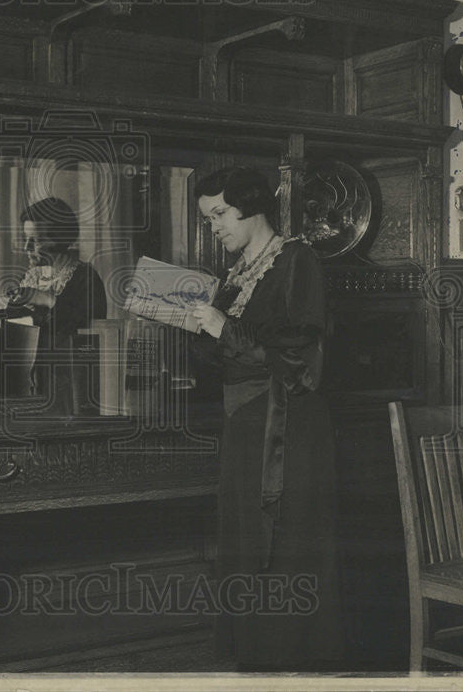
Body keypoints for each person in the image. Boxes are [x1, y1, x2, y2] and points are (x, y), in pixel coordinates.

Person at [190, 167, 343, 672]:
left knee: (284, 543)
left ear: (250, 209)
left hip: (289, 428)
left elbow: (303, 361)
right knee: (246, 540)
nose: (214, 228)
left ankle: (290, 664)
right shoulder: (236, 273)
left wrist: (222, 327)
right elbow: (227, 351)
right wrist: (187, 319)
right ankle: (255, 662)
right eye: (208, 218)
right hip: (245, 423)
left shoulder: (298, 260)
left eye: (218, 215)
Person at [5, 197, 106, 410]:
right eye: (26, 239)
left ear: (59, 239)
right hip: (32, 383)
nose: (26, 247)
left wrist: (47, 299)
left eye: (36, 240)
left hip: (72, 387)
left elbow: (87, 339)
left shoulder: (85, 278)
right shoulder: (31, 277)